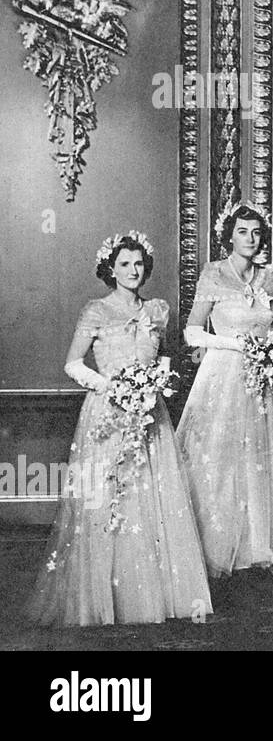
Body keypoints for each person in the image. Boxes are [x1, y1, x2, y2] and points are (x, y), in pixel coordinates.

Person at [29, 232, 212, 626]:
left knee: (151, 499)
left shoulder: (158, 310)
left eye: (139, 263)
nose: (133, 270)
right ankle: (106, 599)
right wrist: (111, 386)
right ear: (110, 269)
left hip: (150, 414)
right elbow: (73, 364)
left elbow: (163, 359)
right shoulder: (95, 311)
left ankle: (154, 597)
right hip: (108, 414)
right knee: (110, 497)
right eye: (125, 264)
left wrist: (159, 382)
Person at [177, 201, 273, 574]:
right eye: (242, 231)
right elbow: (192, 331)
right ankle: (219, 543)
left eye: (256, 232)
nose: (250, 238)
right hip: (223, 374)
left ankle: (260, 542)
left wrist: (270, 346)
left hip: (264, 375)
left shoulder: (270, 277)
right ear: (229, 236)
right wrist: (236, 345)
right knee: (222, 456)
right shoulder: (213, 274)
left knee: (264, 458)